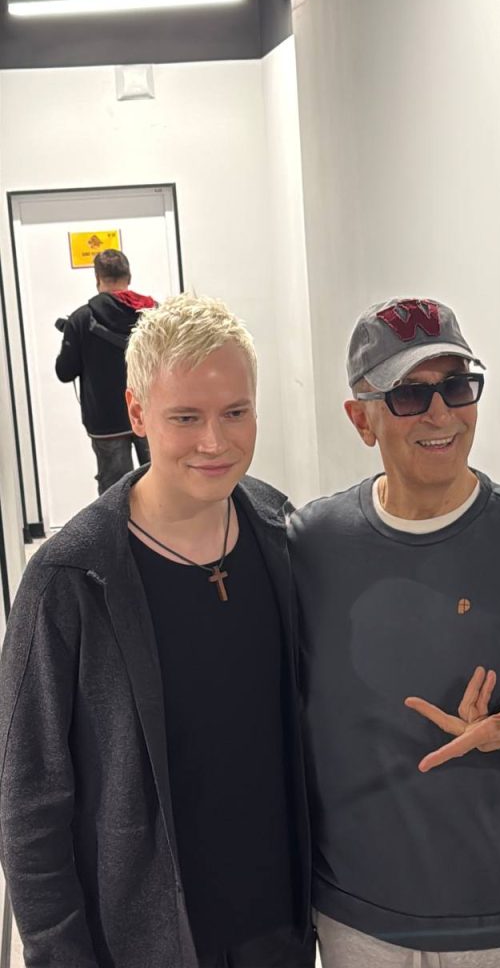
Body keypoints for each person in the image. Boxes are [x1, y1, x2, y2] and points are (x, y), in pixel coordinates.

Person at [0, 293, 314, 968]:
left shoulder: (281, 532)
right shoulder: (69, 578)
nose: (215, 441)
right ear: (137, 412)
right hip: (143, 941)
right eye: (186, 417)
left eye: (236, 412)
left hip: (280, 928)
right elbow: (30, 801)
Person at [289, 297, 500, 968]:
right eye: (409, 394)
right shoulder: (310, 547)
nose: (441, 413)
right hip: (361, 925)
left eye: (456, 386)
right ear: (360, 419)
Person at [55, 248, 156, 494]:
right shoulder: (152, 313)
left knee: (115, 490)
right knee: (161, 478)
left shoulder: (81, 319)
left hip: (105, 421)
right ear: (128, 277)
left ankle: (120, 521)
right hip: (149, 411)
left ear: (98, 279)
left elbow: (65, 372)